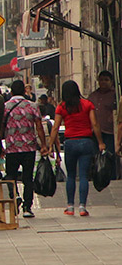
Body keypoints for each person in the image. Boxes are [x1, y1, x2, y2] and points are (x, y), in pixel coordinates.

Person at [46, 80, 106, 216]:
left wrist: (50, 145)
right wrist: (100, 142)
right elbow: (95, 124)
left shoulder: (61, 107)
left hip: (70, 143)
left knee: (71, 176)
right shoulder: (87, 104)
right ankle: (82, 207)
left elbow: (55, 127)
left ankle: (70, 206)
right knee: (84, 175)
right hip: (86, 142)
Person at [3, 80, 47, 218]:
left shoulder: (5, 107)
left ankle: (14, 196)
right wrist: (44, 144)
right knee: (28, 178)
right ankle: (28, 207)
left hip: (11, 148)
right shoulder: (32, 106)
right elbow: (39, 127)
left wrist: (1, 144)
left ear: (11, 92)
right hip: (29, 147)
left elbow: (0, 126)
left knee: (11, 176)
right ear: (24, 91)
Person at [88, 71, 116, 175]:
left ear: (111, 81)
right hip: (94, 132)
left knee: (109, 156)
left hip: (109, 131)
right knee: (95, 156)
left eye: (106, 80)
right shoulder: (93, 96)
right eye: (101, 80)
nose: (103, 82)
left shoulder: (114, 96)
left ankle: (111, 175)